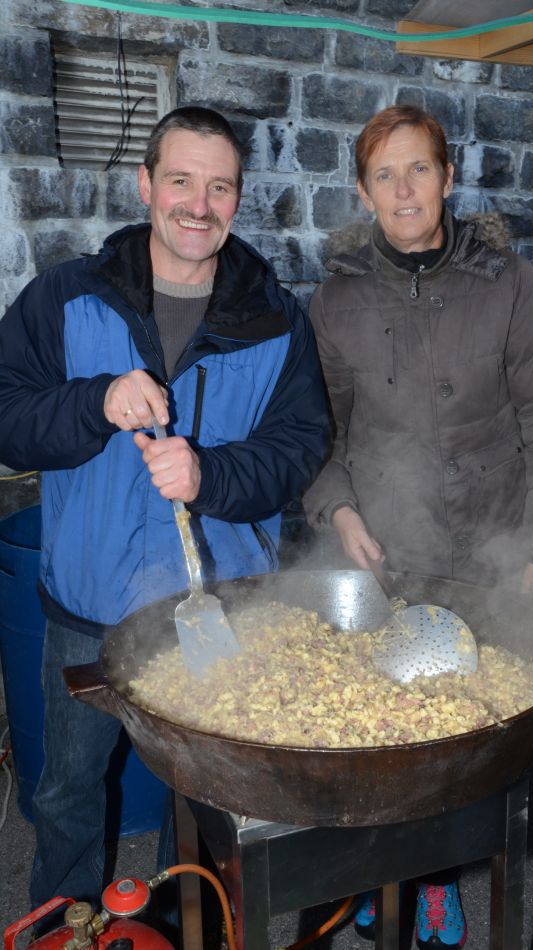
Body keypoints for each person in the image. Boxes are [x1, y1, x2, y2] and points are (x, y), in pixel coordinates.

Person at [0, 106, 330, 916]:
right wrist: (92, 401)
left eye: (220, 187)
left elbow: (299, 448)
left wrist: (211, 474)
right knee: (68, 788)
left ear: (239, 197)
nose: (199, 205)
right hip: (89, 605)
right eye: (181, 180)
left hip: (220, 605)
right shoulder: (66, 297)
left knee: (205, 795)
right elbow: (7, 418)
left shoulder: (276, 319)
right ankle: (67, 924)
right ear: (146, 185)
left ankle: (186, 924)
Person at [303, 105, 533, 947]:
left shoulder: (508, 283)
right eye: (383, 175)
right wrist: (338, 508)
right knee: (374, 730)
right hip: (386, 549)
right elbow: (317, 429)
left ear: (448, 178)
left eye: (418, 169)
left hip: (490, 547)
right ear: (362, 191)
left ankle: (434, 880)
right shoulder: (336, 300)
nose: (403, 190)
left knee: (466, 737)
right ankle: (368, 871)